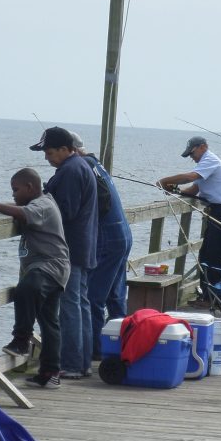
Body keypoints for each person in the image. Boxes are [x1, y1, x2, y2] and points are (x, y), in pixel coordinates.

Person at [0, 168, 70, 389]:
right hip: (57, 267)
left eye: (16, 190)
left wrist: (0, 206)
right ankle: (50, 372)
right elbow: (24, 209)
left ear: (30, 187)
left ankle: (21, 340)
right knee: (49, 321)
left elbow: (25, 214)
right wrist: (10, 206)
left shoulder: (43, 205)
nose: (14, 194)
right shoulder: (41, 202)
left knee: (26, 289)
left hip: (50, 266)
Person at [31, 126, 97, 379]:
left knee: (70, 306)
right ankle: (83, 363)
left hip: (71, 247)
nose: (47, 157)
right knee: (81, 304)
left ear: (64, 149)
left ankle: (70, 364)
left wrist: (36, 209)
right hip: (83, 244)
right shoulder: (81, 166)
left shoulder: (69, 171)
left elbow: (65, 211)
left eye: (49, 152)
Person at [70, 132, 132, 361]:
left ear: (72, 150)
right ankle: (124, 345)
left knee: (93, 296)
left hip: (107, 237)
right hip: (122, 233)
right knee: (115, 297)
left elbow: (99, 201)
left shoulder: (81, 167)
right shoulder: (96, 163)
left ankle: (96, 349)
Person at [157, 136, 221, 306]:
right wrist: (176, 191)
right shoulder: (203, 165)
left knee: (217, 255)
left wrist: (165, 180)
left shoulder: (210, 160)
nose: (191, 157)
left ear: (203, 147)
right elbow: (193, 189)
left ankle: (214, 299)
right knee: (206, 254)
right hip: (216, 211)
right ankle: (207, 296)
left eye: (192, 153)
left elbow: (190, 177)